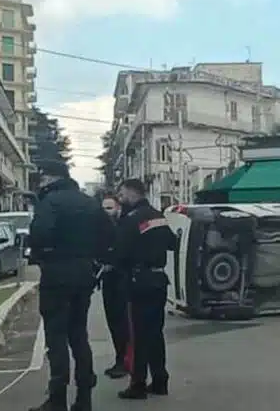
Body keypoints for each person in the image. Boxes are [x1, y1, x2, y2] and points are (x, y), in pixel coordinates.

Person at [28, 162, 112, 411]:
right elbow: (109, 236)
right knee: (79, 335)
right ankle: (84, 396)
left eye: (42, 179)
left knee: (56, 337)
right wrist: (92, 257)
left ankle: (57, 399)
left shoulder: (50, 202)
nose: (41, 184)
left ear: (50, 178)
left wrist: (43, 253)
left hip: (56, 274)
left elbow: (39, 235)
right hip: (84, 274)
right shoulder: (89, 203)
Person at [114, 178, 177, 399]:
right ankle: (160, 380)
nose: (120, 200)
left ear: (132, 194)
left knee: (138, 335)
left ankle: (138, 384)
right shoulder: (158, 216)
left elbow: (119, 253)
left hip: (138, 282)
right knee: (155, 334)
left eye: (122, 195)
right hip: (159, 281)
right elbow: (173, 243)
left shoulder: (130, 220)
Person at [98, 194, 130, 379]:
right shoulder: (101, 229)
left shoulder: (124, 226)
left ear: (118, 208)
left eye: (109, 208)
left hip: (122, 280)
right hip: (107, 280)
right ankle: (120, 359)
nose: (106, 212)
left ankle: (125, 361)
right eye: (103, 209)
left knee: (123, 323)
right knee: (113, 323)